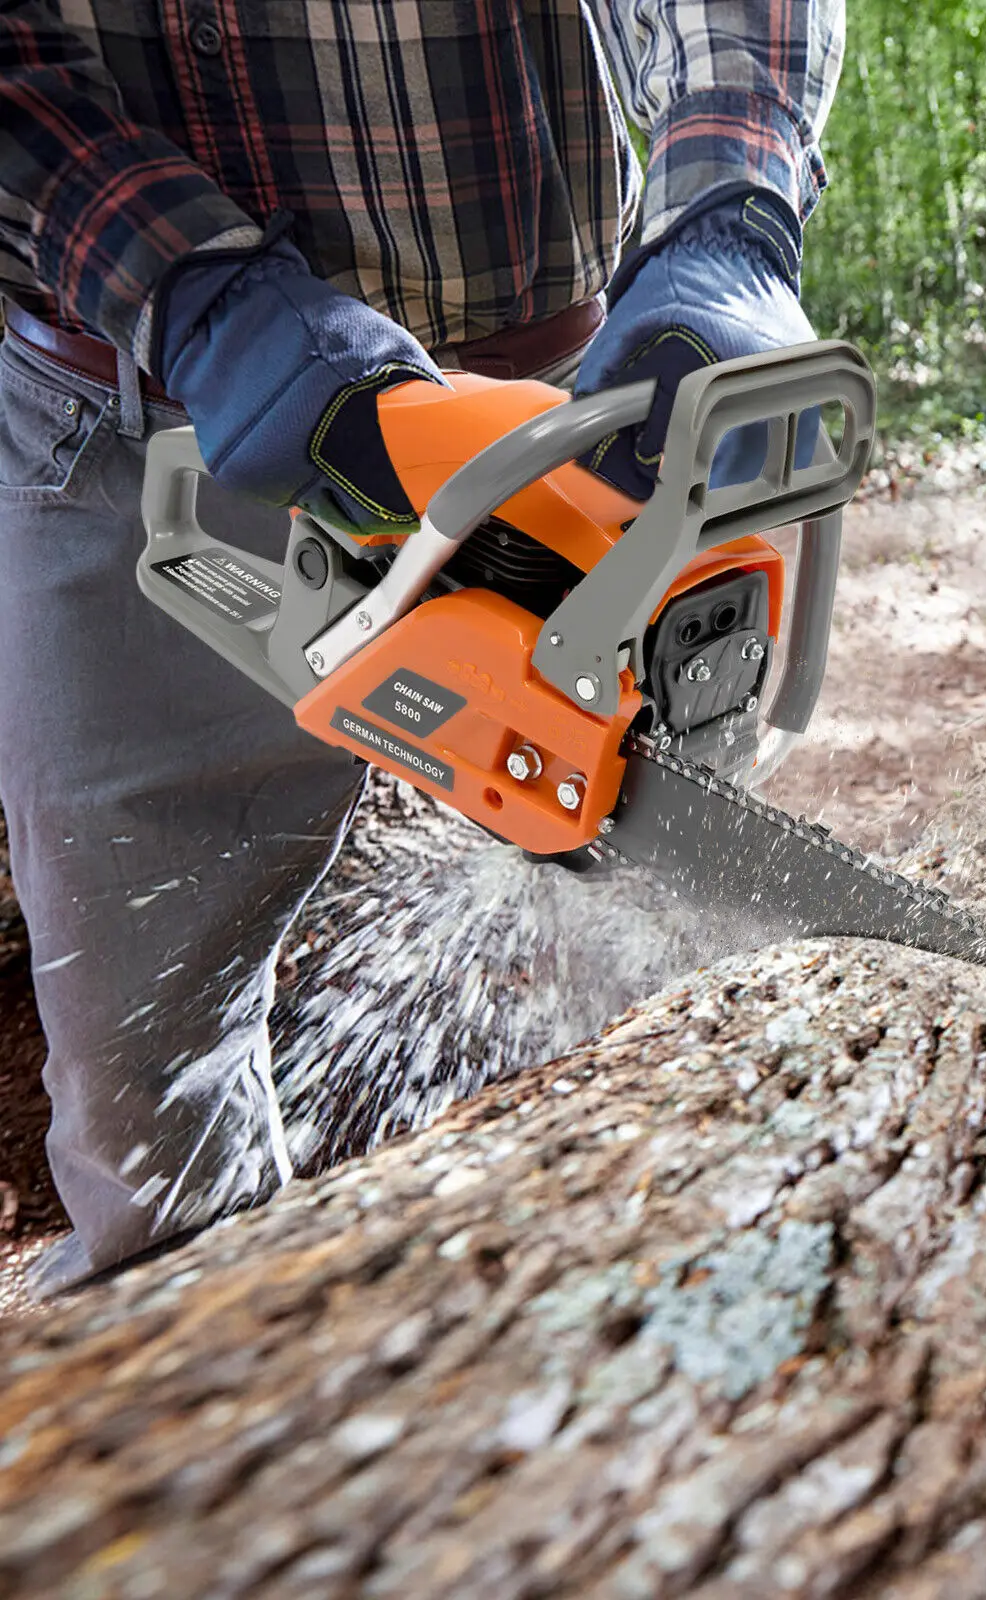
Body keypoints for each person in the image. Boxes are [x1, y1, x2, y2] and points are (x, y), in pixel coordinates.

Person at [0, 0, 843, 1295]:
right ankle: (198, 1408)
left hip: (554, 390)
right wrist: (193, 288)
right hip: (120, 402)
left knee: (658, 1027)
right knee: (145, 1102)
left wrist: (728, 207)